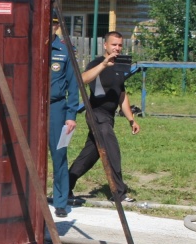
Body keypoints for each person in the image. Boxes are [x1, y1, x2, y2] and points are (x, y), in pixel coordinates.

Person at [68, 31, 140, 203]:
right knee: (111, 150)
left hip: (108, 116)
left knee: (89, 155)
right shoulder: (97, 64)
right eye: (114, 44)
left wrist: (131, 119)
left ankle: (64, 185)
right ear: (105, 45)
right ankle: (119, 193)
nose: (117, 48)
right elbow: (82, 79)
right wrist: (104, 65)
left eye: (120, 45)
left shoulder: (119, 66)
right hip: (96, 114)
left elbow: (121, 94)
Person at [48, 16, 79, 218]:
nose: (50, 26)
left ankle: (60, 201)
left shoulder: (64, 50)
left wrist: (71, 114)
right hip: (33, 109)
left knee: (59, 154)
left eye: (53, 22)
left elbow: (73, 85)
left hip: (57, 108)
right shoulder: (29, 46)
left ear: (58, 26)